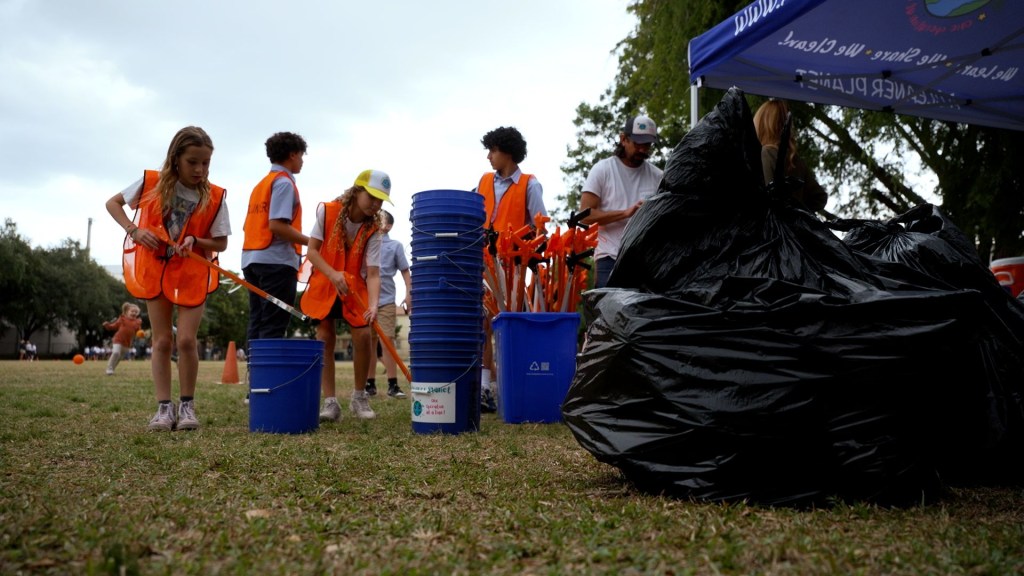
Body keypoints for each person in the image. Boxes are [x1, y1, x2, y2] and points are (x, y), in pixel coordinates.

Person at [105, 126, 231, 432]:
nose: (200, 170)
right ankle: (164, 408)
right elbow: (113, 204)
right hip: (156, 271)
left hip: (191, 273)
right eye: (193, 162)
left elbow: (221, 243)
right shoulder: (151, 183)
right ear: (176, 159)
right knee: (162, 341)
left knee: (186, 340)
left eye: (205, 163)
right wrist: (134, 230)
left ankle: (187, 405)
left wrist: (195, 241)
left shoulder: (214, 197)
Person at [301, 169, 390, 422]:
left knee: (363, 335)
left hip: (355, 287)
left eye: (381, 200)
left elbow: (373, 273)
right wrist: (332, 274)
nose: (375, 204)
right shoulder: (328, 212)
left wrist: (373, 305)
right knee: (324, 336)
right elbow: (313, 251)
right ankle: (330, 402)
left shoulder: (374, 228)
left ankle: (359, 396)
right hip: (326, 282)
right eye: (371, 196)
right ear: (357, 191)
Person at [474, 126, 548, 413]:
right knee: (481, 324)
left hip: (512, 267)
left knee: (505, 327)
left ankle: (509, 386)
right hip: (481, 264)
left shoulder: (530, 184)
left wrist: (518, 244)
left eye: (492, 150)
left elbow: (539, 227)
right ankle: (484, 389)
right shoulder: (482, 182)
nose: (489, 157)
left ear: (507, 152)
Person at [579, 114, 664, 288]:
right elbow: (584, 215)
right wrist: (625, 213)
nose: (642, 149)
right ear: (623, 139)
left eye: (647, 145)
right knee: (607, 314)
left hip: (645, 262)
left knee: (644, 315)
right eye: (638, 143)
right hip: (609, 258)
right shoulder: (603, 169)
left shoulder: (658, 176)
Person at [241, 132, 310, 346]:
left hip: (251, 259)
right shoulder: (284, 184)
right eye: (301, 155)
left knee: (258, 318)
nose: (302, 161)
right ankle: (267, 377)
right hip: (276, 262)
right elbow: (277, 226)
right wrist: (313, 243)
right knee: (274, 321)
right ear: (292, 154)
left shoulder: (261, 185)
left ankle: (256, 373)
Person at [363, 210, 411, 399]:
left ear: (388, 226)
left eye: (380, 217)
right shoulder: (365, 244)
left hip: (385, 301)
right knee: (368, 342)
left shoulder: (395, 246)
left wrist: (408, 295)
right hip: (365, 301)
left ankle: (393, 384)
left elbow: (405, 272)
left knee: (387, 340)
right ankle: (369, 384)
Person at [753, 99, 828, 213]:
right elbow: (820, 197)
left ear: (761, 124)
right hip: (792, 229)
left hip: (770, 228)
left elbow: (769, 200)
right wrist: (797, 213)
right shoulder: (795, 161)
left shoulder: (766, 154)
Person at [102, 302, 143, 375]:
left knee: (119, 357)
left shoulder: (137, 322)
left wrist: (141, 334)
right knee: (116, 352)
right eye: (132, 311)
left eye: (136, 312)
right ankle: (109, 368)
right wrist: (107, 325)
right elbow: (114, 326)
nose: (134, 313)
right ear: (127, 312)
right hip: (118, 339)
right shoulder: (122, 319)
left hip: (127, 343)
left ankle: (112, 369)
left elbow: (138, 332)